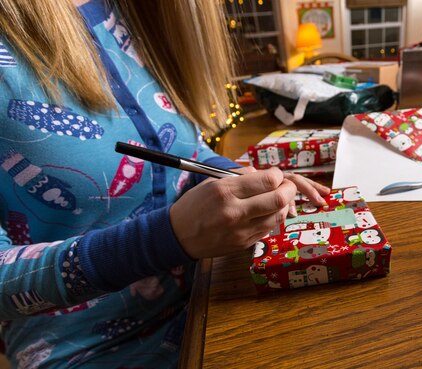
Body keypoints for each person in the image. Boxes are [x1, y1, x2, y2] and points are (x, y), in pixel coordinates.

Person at [0, 0, 329, 367]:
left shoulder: (134, 12)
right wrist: (168, 237)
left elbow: (185, 147)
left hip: (210, 295)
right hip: (88, 350)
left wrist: (237, 178)